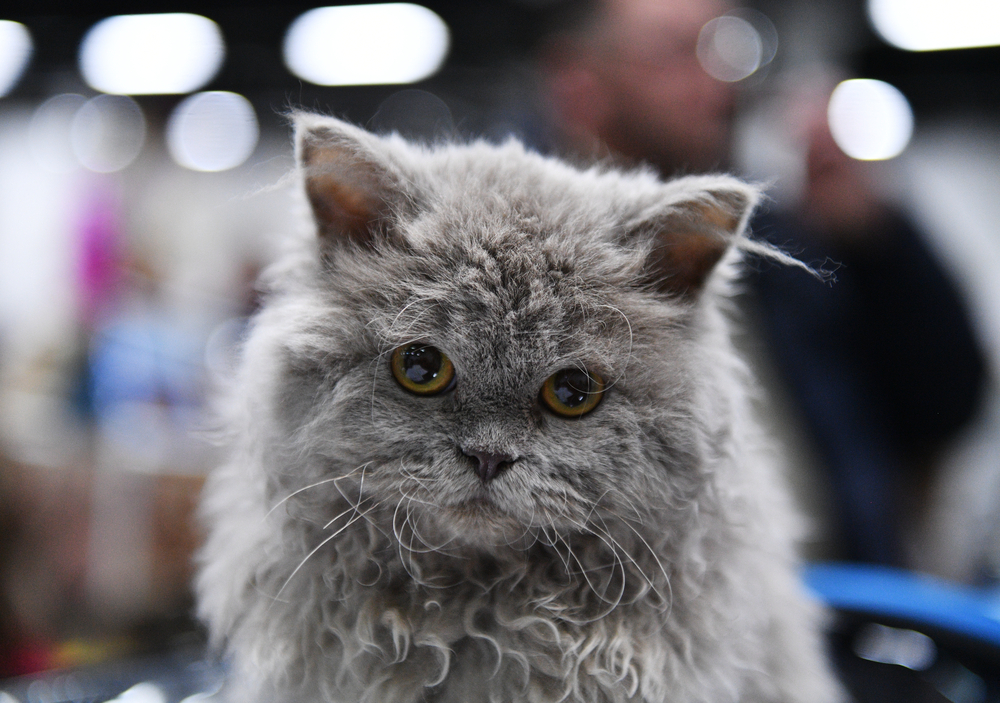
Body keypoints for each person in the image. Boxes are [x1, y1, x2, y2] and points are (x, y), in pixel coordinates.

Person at [538, 0, 988, 566]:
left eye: (723, 48)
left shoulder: (774, 243)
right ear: (578, 83)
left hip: (848, 609)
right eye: (677, 54)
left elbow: (943, 406)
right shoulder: (526, 261)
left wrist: (877, 243)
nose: (716, 85)